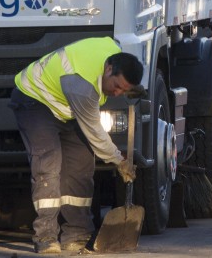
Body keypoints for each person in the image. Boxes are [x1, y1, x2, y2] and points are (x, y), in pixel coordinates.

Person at [10, 37, 143, 253]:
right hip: (35, 99)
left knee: (80, 168)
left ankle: (77, 235)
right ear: (108, 69)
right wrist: (119, 161)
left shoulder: (114, 51)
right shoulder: (82, 86)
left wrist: (135, 89)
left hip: (65, 107)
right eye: (117, 86)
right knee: (48, 166)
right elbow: (95, 133)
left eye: (124, 90)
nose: (117, 93)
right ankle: (46, 238)